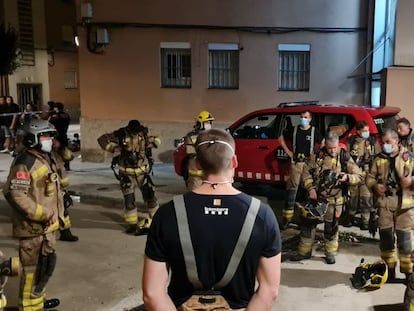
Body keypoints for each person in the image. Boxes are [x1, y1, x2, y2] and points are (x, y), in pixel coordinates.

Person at [143, 128, 281, 310]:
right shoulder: (262, 216)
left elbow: (152, 294)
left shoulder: (167, 214)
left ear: (198, 164)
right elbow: (269, 290)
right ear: (234, 161)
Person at [3, 119, 62, 310]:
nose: (50, 140)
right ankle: (29, 306)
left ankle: (37, 301)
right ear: (31, 139)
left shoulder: (45, 157)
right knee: (31, 272)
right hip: (33, 228)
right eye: (45, 136)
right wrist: (44, 213)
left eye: (51, 136)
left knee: (45, 267)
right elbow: (15, 194)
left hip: (47, 229)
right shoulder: (25, 162)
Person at [290, 132, 363, 264]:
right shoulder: (317, 156)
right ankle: (304, 252)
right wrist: (311, 189)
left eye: (335, 147)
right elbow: (306, 173)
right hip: (316, 199)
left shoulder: (344, 157)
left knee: (331, 228)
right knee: (307, 226)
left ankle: (330, 253)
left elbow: (359, 176)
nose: (332, 150)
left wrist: (347, 177)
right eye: (330, 148)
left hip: (335, 201)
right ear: (325, 144)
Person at [97, 119, 161, 236]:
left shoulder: (144, 133)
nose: (136, 134)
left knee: (150, 196)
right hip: (126, 174)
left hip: (143, 172)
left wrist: (154, 143)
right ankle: (132, 225)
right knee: (129, 200)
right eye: (134, 133)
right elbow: (101, 139)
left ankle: (156, 221)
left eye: (137, 132)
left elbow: (157, 138)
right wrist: (112, 148)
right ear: (129, 130)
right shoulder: (120, 134)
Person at [366, 128, 414, 282]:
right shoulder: (378, 158)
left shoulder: (409, 157)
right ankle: (389, 271)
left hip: (404, 205)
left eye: (387, 142)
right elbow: (369, 177)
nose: (384, 145)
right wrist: (375, 186)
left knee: (405, 241)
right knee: (386, 239)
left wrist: (411, 181)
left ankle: (408, 273)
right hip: (385, 203)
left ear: (396, 141)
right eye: (383, 142)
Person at [278, 110, 323, 228]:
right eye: (302, 117)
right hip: (296, 164)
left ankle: (307, 218)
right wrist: (288, 152)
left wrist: (316, 153)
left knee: (309, 190)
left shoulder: (314, 131)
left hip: (309, 165)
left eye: (305, 117)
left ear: (310, 119)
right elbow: (280, 138)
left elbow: (322, 142)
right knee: (292, 191)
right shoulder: (294, 130)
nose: (303, 119)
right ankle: (287, 219)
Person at [343, 120, 381, 229]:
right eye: (364, 131)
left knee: (366, 199)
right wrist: (354, 171)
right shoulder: (351, 141)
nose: (367, 133)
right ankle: (350, 218)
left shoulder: (373, 141)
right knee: (353, 198)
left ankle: (365, 222)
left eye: (368, 130)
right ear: (358, 131)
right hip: (354, 174)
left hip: (368, 174)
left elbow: (377, 157)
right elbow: (347, 158)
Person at [53, 139, 79, 242]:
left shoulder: (56, 150)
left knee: (63, 208)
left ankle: (65, 232)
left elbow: (70, 157)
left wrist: (60, 147)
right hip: (45, 186)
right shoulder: (37, 153)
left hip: (60, 186)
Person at [182, 110, 215, 191]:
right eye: (207, 122)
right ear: (200, 123)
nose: (209, 125)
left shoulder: (212, 135)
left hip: (208, 173)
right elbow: (189, 151)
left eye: (210, 122)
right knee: (195, 197)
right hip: (195, 174)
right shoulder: (191, 136)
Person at [48, 102, 71, 170]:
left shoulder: (56, 116)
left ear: (56, 108)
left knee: (56, 151)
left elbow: (49, 123)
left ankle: (58, 165)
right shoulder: (66, 115)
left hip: (57, 135)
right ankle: (67, 165)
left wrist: (50, 117)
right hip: (64, 134)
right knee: (64, 150)